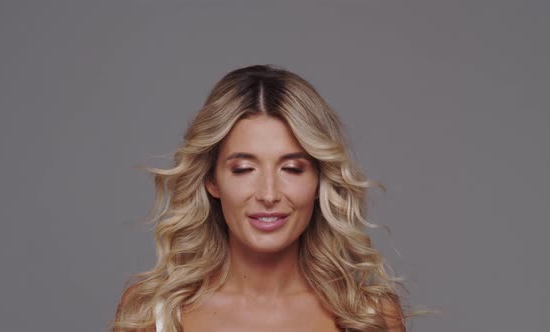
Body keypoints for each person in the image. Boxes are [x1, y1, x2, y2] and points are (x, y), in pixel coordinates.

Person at [113, 65, 408, 331]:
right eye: (243, 169)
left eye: (292, 169)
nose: (269, 194)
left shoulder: (372, 315)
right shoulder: (152, 313)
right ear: (212, 180)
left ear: (320, 181)